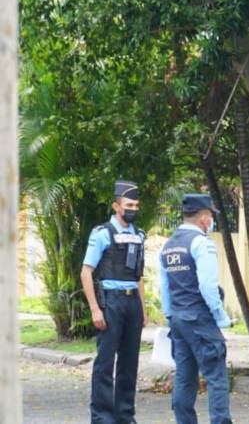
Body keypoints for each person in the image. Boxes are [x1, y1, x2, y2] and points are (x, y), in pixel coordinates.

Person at [159, 193, 233, 424]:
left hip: (179, 320)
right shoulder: (201, 243)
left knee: (185, 377)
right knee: (217, 378)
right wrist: (221, 317)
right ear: (203, 217)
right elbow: (208, 286)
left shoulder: (168, 245)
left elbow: (165, 287)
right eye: (211, 216)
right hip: (199, 319)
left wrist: (170, 316)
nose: (211, 220)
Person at [82, 179, 147, 424]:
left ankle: (124, 416)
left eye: (136, 205)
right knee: (105, 364)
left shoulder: (139, 235)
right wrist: (95, 309)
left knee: (129, 365)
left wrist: (143, 308)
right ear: (116, 206)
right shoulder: (102, 234)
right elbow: (86, 272)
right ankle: (101, 418)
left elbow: (139, 275)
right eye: (129, 204)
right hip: (111, 302)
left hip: (132, 304)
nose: (133, 209)